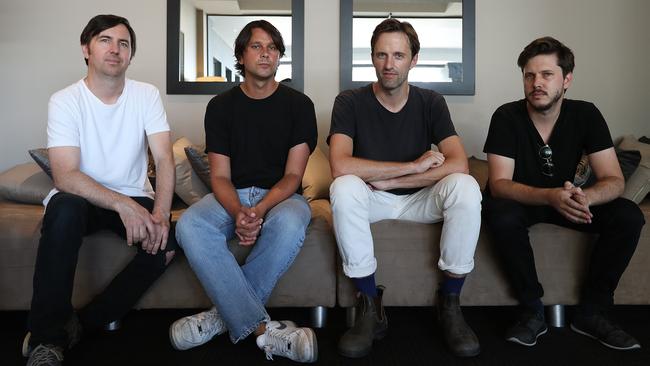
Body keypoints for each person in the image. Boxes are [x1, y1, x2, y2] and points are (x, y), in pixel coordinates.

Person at [23, 14, 177, 366]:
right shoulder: (65, 100)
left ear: (130, 55)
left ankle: (80, 325)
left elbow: (165, 159)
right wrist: (123, 205)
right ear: (86, 49)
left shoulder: (146, 95)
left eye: (124, 43)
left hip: (133, 197)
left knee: (170, 242)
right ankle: (46, 340)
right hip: (82, 199)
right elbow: (65, 175)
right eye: (105, 40)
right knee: (62, 208)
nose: (115, 49)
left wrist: (161, 215)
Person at [328, 18, 482, 358]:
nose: (389, 64)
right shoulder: (349, 101)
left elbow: (458, 163)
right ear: (372, 58)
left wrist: (396, 180)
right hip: (373, 199)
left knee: (466, 186)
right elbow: (340, 164)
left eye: (398, 55)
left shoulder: (431, 102)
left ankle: (451, 304)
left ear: (413, 60)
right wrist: (412, 166)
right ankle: (369, 307)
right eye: (381, 55)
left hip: (420, 200)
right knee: (343, 187)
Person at [168, 20, 318, 363]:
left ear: (279, 56)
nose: (266, 54)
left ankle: (219, 317)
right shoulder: (221, 107)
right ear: (240, 54)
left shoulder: (299, 105)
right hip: (232, 194)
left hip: (280, 197)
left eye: (272, 48)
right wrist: (239, 212)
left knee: (294, 219)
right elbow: (219, 176)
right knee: (190, 224)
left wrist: (261, 208)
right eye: (256, 46)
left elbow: (294, 175)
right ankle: (264, 332)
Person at [482, 36, 645, 350]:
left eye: (546, 75)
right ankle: (531, 310)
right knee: (499, 213)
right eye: (529, 75)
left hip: (570, 200)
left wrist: (588, 198)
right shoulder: (506, 117)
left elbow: (613, 179)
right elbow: (500, 185)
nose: (536, 83)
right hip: (524, 202)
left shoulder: (586, 114)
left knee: (628, 215)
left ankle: (592, 312)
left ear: (566, 79)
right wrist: (549, 196)